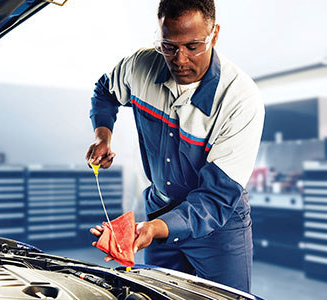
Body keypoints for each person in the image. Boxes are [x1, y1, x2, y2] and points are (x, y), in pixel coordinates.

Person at [87, 0, 264, 293]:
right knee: (155, 293)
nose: (179, 59)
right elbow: (105, 90)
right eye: (168, 46)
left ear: (214, 34)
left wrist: (153, 229)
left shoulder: (240, 100)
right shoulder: (139, 66)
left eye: (193, 46)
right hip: (159, 209)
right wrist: (102, 136)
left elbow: (216, 197)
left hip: (218, 226)